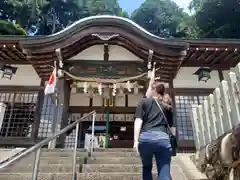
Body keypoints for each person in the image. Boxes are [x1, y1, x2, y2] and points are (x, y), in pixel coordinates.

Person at [134, 81, 173, 180]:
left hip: (145, 139)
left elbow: (138, 121)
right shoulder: (167, 104)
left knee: (147, 167)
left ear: (153, 90)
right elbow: (171, 126)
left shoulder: (143, 102)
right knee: (164, 168)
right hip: (163, 139)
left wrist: (135, 141)